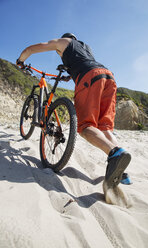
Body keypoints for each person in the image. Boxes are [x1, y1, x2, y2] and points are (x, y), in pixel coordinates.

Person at [16, 33, 131, 189]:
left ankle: (114, 153)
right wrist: (69, 76)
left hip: (90, 76)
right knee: (104, 127)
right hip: (108, 77)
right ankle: (121, 169)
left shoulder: (64, 42)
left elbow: (31, 49)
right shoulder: (86, 48)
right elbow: (84, 62)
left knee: (85, 127)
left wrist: (21, 61)